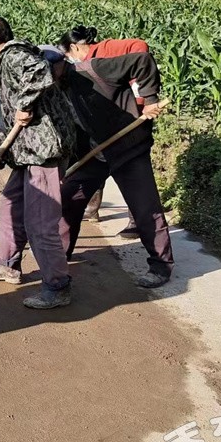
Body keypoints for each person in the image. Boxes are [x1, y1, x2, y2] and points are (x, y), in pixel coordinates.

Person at [48, 47, 175, 288]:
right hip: (92, 156)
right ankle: (59, 256)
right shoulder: (53, 91)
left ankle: (161, 266)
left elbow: (142, 60)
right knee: (68, 200)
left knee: (145, 208)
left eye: (49, 71)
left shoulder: (94, 69)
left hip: (127, 148)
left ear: (61, 64)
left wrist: (150, 100)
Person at [0, 17, 76, 309]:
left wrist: (24, 104)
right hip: (26, 153)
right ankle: (8, 265)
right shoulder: (6, 67)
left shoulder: (14, 55)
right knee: (9, 205)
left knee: (40, 223)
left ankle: (57, 287)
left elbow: (39, 72)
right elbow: (3, 124)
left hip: (43, 153)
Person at [59, 25, 149, 236]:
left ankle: (136, 221)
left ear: (75, 47)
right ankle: (92, 209)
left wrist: (139, 95)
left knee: (131, 172)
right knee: (96, 162)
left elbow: (140, 47)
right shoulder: (83, 68)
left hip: (129, 118)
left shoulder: (107, 49)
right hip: (106, 121)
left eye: (68, 56)